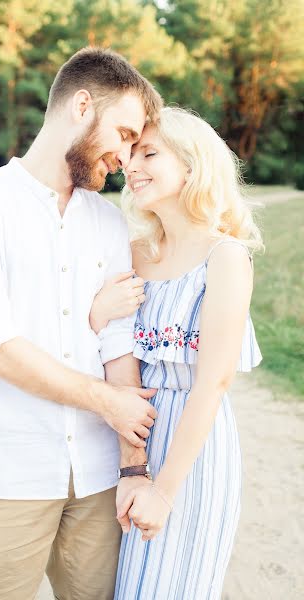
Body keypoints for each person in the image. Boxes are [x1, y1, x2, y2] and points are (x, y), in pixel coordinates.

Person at [0, 47, 163, 600]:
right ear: (82, 106)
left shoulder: (109, 222)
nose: (126, 157)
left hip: (96, 477)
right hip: (7, 472)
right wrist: (108, 403)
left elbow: (117, 339)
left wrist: (132, 466)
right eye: (125, 134)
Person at [89, 106, 263, 599]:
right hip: (133, 439)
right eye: (129, 154)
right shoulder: (135, 252)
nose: (131, 165)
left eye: (149, 153)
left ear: (192, 165)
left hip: (194, 454)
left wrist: (164, 491)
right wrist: (99, 312)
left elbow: (213, 383)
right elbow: (105, 343)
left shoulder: (224, 257)